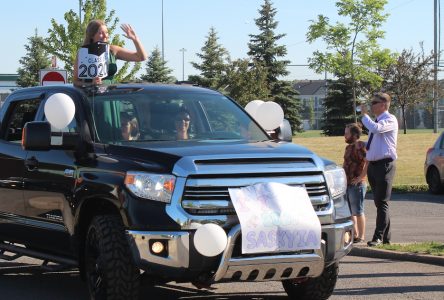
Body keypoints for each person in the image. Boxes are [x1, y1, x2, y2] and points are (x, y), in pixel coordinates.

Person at [360, 92, 398, 247]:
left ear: (383, 104)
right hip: (374, 165)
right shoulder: (376, 121)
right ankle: (387, 239)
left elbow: (376, 129)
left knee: (382, 202)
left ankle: (378, 237)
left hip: (385, 165)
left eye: (374, 102)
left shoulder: (389, 119)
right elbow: (374, 143)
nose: (372, 105)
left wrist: (364, 115)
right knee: (379, 202)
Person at [73, 20, 147, 86]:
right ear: (92, 35)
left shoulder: (113, 50)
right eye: (101, 33)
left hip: (111, 96)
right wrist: (91, 84)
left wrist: (135, 39)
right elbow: (76, 82)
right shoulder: (83, 53)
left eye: (106, 32)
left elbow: (141, 57)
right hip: (93, 98)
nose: (105, 36)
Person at [343, 123, 368, 244]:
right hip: (347, 184)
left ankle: (361, 236)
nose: (345, 136)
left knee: (358, 211)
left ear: (353, 135)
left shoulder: (360, 146)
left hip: (357, 185)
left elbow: (368, 161)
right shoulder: (348, 148)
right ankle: (354, 234)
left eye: (347, 133)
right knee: (350, 211)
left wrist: (361, 177)